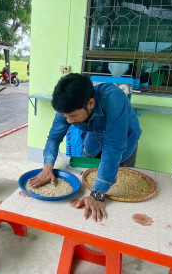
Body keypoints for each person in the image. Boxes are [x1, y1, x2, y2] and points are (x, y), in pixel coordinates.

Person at [28, 73, 141, 222]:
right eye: (65, 116)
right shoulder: (69, 105)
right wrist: (48, 167)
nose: (68, 121)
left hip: (124, 138)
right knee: (87, 176)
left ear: (91, 103)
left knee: (119, 181)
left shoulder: (114, 98)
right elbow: (54, 138)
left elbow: (114, 147)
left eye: (73, 116)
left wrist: (98, 194)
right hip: (95, 136)